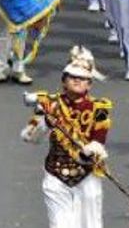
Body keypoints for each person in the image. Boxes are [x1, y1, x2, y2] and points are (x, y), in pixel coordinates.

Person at [22, 46, 111, 228]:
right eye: (73, 77)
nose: (78, 81)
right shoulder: (49, 105)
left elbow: (99, 140)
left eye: (83, 78)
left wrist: (89, 152)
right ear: (64, 81)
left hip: (87, 177)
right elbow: (28, 136)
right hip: (55, 175)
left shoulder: (99, 109)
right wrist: (46, 123)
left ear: (90, 84)